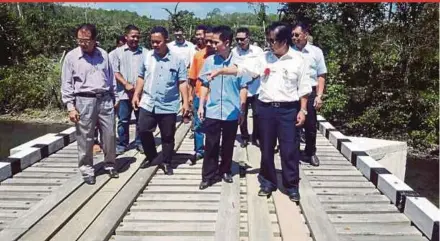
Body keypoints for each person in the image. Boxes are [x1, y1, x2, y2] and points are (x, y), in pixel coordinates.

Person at [205, 22, 312, 202]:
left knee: (289, 149)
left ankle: (291, 185)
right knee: (266, 148)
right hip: (266, 109)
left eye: (273, 40)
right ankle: (267, 181)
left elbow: (304, 88)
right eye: (268, 40)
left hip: (288, 110)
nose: (270, 44)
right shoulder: (264, 58)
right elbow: (242, 69)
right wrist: (222, 70)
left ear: (284, 41)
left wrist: (303, 110)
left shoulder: (299, 60)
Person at [61, 23, 119, 185]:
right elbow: (66, 84)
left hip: (105, 98)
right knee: (85, 136)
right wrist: (70, 107)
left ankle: (110, 164)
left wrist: (116, 97)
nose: (83, 43)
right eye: (80, 40)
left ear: (94, 40)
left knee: (109, 134)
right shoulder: (72, 57)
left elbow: (111, 77)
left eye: (86, 40)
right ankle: (87, 169)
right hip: (83, 100)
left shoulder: (104, 55)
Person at [132, 26, 190, 175]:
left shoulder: (177, 60)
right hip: (148, 102)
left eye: (158, 42)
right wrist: (136, 94)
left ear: (167, 41)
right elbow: (140, 77)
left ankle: (166, 161)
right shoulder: (147, 57)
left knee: (167, 136)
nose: (155, 45)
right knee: (143, 129)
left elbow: (182, 82)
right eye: (152, 42)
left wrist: (185, 103)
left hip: (168, 104)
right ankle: (152, 157)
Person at [197, 25, 249, 190]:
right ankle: (208, 176)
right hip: (212, 109)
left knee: (228, 143)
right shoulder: (209, 61)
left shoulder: (239, 64)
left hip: (231, 110)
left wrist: (242, 109)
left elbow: (243, 87)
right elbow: (205, 84)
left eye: (215, 42)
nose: (212, 45)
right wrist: (201, 104)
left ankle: (225, 170)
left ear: (226, 42)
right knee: (211, 143)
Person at [292, 23, 327, 167]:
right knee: (293, 124)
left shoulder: (316, 52)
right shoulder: (289, 52)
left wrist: (319, 95)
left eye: (297, 35)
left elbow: (321, 74)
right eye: (292, 35)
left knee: (311, 126)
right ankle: (293, 153)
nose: (294, 38)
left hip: (311, 91)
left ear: (305, 34)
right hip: (293, 92)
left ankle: (310, 152)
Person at [112, 25, 148, 156]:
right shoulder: (116, 53)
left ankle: (140, 142)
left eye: (138, 36)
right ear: (126, 36)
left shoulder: (146, 53)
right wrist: (126, 84)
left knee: (141, 120)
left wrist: (139, 88)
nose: (135, 39)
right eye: (133, 36)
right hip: (123, 93)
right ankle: (122, 144)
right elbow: (115, 71)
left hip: (140, 93)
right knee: (123, 120)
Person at [93, 35, 126, 154]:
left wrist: (114, 95)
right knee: (92, 123)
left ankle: (108, 149)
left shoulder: (103, 56)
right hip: (88, 96)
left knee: (108, 123)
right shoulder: (76, 57)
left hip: (106, 94)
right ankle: (95, 142)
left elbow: (111, 77)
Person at [232, 27, 264, 148]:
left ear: (248, 38)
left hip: (256, 88)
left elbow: (263, 66)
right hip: (241, 89)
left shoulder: (258, 51)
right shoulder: (234, 52)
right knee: (242, 113)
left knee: (257, 115)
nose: (240, 42)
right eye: (237, 39)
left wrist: (255, 76)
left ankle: (256, 137)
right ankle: (244, 137)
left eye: (242, 39)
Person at [187, 25, 215, 164]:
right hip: (200, 95)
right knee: (198, 124)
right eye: (207, 40)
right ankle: (199, 150)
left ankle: (213, 150)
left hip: (216, 97)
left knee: (214, 126)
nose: (209, 44)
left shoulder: (221, 56)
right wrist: (190, 97)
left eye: (212, 41)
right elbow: (192, 79)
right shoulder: (198, 56)